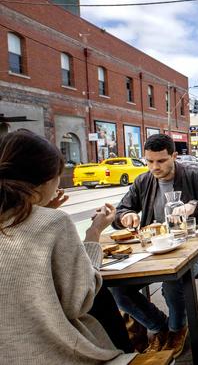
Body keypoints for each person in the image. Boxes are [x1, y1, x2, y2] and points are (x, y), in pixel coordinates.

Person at [0, 129, 135, 364]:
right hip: (54, 355)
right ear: (45, 181)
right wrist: (93, 233)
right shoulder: (54, 222)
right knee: (103, 300)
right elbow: (81, 300)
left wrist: (40, 209)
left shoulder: (39, 218)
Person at [110, 134, 198, 358]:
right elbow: (120, 211)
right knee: (117, 289)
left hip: (192, 250)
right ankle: (159, 327)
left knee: (173, 282)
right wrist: (125, 217)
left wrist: (195, 205)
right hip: (151, 251)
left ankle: (177, 329)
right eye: (149, 161)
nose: (154, 166)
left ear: (174, 156)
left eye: (161, 161)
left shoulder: (195, 175)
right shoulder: (143, 181)